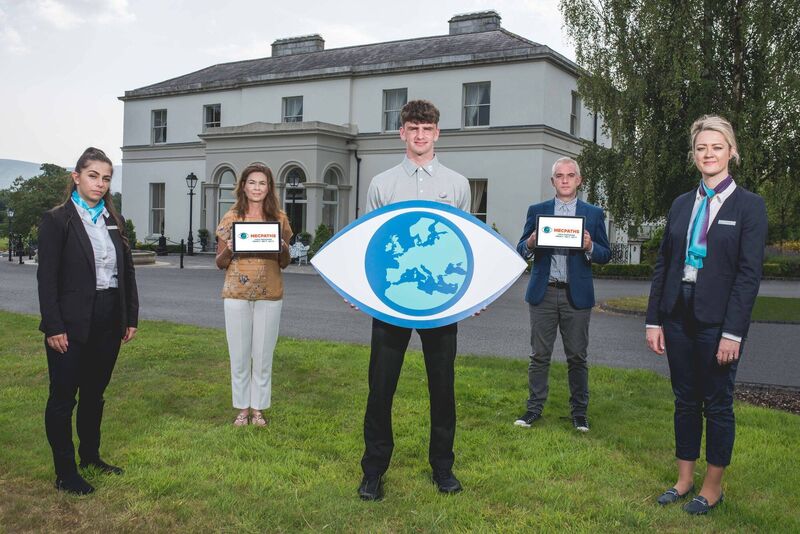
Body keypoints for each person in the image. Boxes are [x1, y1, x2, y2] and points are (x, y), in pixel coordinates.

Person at [646, 115, 767, 515]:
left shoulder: (749, 206)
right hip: (677, 314)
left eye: (717, 147)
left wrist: (733, 333)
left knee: (716, 403)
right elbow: (664, 264)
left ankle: (712, 488)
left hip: (718, 322)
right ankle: (683, 480)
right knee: (684, 400)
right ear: (694, 154)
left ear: (731, 152)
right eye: (701, 148)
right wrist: (654, 320)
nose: (708, 154)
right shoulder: (682, 204)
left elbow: (748, 276)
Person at [358, 99, 471, 501]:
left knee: (442, 388)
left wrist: (472, 294)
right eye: (413, 128)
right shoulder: (382, 184)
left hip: (440, 302)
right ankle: (373, 471)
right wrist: (361, 292)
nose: (420, 135)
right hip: (392, 301)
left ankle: (443, 468)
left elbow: (464, 245)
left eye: (427, 129)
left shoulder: (457, 185)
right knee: (380, 388)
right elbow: (370, 245)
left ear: (437, 133)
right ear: (401, 132)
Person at [37, 147, 139, 495]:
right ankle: (65, 473)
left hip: (109, 317)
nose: (100, 183)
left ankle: (90, 457)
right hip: (70, 321)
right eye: (93, 175)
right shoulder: (57, 220)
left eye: (106, 178)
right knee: (63, 397)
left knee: (95, 394)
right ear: (76, 177)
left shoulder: (113, 219)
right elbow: (47, 279)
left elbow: (126, 272)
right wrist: (54, 326)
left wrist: (129, 316)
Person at [513, 157, 610, 432]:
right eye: (559, 175)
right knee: (539, 356)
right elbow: (521, 249)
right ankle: (533, 410)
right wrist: (531, 242)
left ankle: (579, 413)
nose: (565, 180)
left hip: (576, 295)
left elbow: (605, 254)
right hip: (543, 293)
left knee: (577, 356)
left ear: (579, 180)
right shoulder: (537, 211)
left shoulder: (593, 213)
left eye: (570, 175)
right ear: (552, 181)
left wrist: (590, 246)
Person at [216, 163, 292, 427]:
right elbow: (220, 262)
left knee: (262, 356)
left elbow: (284, 262)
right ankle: (242, 409)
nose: (257, 188)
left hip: (270, 294)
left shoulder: (279, 219)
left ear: (269, 187)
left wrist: (283, 247)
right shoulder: (231, 218)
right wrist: (230, 249)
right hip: (236, 293)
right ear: (243, 186)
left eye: (262, 183)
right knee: (239, 354)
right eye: (252, 182)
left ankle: (258, 409)